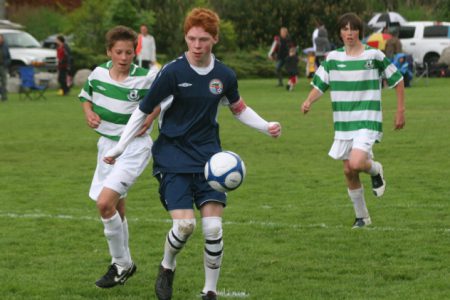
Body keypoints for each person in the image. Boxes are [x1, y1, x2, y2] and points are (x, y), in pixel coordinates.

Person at [104, 8, 281, 300]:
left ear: (215, 39)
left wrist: (266, 126)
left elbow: (238, 108)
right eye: (191, 39)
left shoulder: (224, 75)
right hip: (172, 156)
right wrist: (119, 147)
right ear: (185, 37)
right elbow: (143, 111)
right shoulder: (172, 72)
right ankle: (167, 265)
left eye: (203, 39)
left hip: (210, 160)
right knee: (185, 226)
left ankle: (209, 290)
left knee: (213, 228)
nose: (197, 45)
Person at [301, 13, 405, 229]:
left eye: (353, 29)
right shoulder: (332, 58)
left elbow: (398, 79)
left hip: (368, 118)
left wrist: (400, 111)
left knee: (357, 163)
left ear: (360, 31)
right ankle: (362, 217)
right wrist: (309, 101)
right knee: (349, 170)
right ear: (339, 32)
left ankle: (376, 170)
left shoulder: (374, 55)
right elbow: (320, 84)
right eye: (345, 29)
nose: (349, 33)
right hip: (344, 122)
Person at [78, 25, 160, 289]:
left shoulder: (145, 78)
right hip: (106, 147)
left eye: (129, 53)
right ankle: (126, 264)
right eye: (119, 53)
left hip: (134, 148)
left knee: (104, 204)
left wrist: (151, 117)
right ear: (109, 52)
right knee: (117, 208)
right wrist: (88, 113)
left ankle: (121, 264)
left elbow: (161, 100)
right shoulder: (98, 73)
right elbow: (85, 96)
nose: (125, 58)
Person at [0, 34, 11, 101]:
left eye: (0, 38)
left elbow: (9, 57)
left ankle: (4, 97)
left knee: (4, 82)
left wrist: (6, 63)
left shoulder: (5, 46)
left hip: (3, 66)